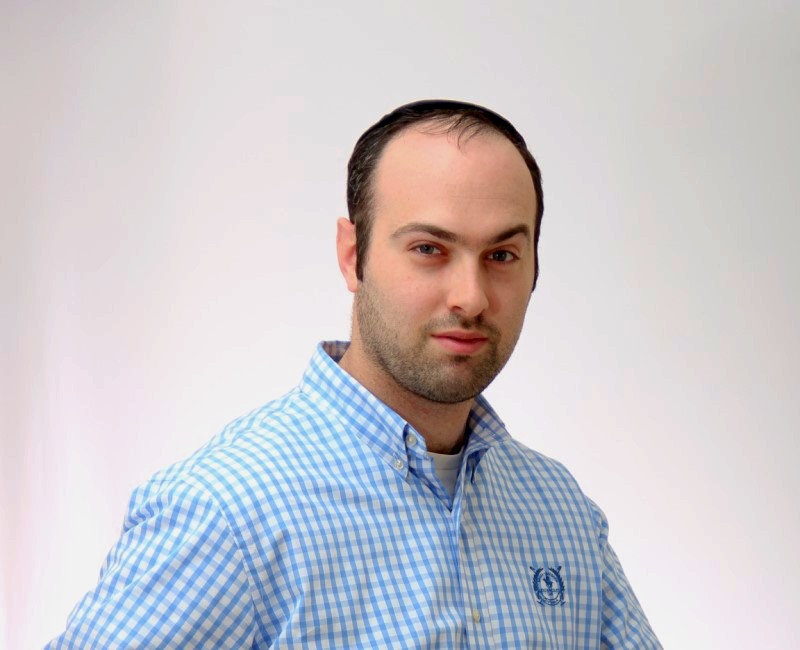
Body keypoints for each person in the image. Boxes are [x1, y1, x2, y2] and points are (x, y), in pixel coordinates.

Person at [47, 100, 661, 648]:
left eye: (501, 255)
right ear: (352, 255)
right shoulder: (227, 513)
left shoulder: (558, 511)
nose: (471, 297)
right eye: (429, 249)